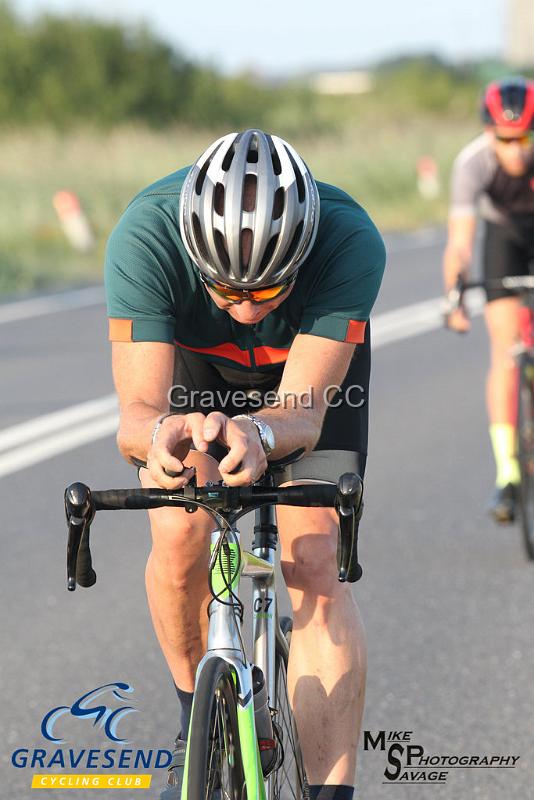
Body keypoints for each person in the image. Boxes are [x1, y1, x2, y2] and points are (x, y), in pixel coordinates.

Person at [104, 129, 385, 800]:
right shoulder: (145, 234)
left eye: (270, 288)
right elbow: (137, 412)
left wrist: (258, 430)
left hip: (304, 387)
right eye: (227, 290)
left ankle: (330, 792)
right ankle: (192, 721)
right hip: (194, 381)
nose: (250, 307)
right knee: (178, 534)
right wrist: (166, 433)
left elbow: (306, 411)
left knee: (315, 557)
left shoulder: (349, 240)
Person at [444, 77, 534, 523]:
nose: (516, 150)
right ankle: (508, 475)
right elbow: (460, 243)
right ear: (488, 133)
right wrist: (455, 294)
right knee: (505, 352)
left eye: (525, 138)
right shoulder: (472, 164)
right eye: (506, 139)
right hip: (505, 238)